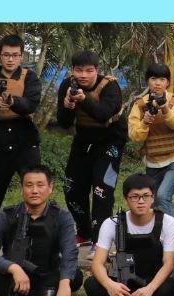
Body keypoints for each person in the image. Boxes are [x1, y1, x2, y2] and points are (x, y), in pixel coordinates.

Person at [0, 165, 80, 296]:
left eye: (40, 185)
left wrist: (64, 283)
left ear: (50, 188)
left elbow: (69, 251)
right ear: (22, 189)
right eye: (29, 185)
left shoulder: (62, 216)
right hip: (13, 278)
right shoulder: (6, 216)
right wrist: (13, 268)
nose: (34, 190)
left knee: (75, 277)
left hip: (48, 275)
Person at [82, 174, 174, 296]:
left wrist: (150, 288)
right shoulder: (111, 223)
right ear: (125, 199)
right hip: (121, 283)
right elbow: (97, 264)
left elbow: (169, 263)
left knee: (171, 286)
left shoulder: (168, 222)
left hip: (151, 282)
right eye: (135, 197)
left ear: (153, 197)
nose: (141, 201)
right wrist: (110, 286)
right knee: (91, 284)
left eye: (146, 196)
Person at [55, 50, 125, 245]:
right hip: (84, 139)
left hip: (111, 140)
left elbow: (103, 114)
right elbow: (63, 122)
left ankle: (100, 240)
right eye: (79, 70)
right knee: (71, 188)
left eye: (89, 70)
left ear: (97, 70)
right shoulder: (68, 85)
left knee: (102, 190)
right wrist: (68, 106)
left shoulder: (110, 85)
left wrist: (83, 99)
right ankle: (84, 232)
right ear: (72, 70)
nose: (83, 75)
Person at [0, 34, 42, 227]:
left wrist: (12, 100)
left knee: (34, 189)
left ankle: (36, 226)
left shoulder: (30, 77)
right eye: (6, 55)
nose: (10, 59)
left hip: (26, 143)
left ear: (21, 56)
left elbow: (31, 105)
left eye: (15, 55)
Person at [128, 63, 174, 215]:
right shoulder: (140, 104)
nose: (157, 83)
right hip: (153, 162)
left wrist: (165, 108)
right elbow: (135, 136)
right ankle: (159, 230)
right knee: (153, 201)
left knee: (162, 196)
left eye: (162, 79)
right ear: (147, 81)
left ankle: (170, 231)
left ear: (167, 82)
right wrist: (145, 122)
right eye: (153, 79)